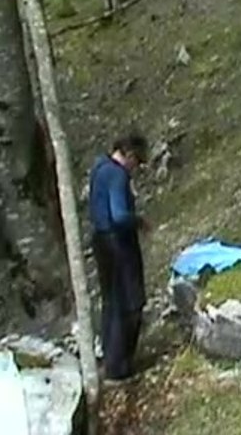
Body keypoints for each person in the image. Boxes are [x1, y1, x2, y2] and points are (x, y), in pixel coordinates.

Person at [88, 133, 150, 384]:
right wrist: (139, 221)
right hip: (118, 244)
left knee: (111, 301)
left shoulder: (99, 167)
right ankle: (121, 365)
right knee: (130, 301)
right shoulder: (117, 175)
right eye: (138, 162)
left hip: (100, 241)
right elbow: (119, 214)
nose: (136, 168)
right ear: (130, 155)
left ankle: (109, 358)